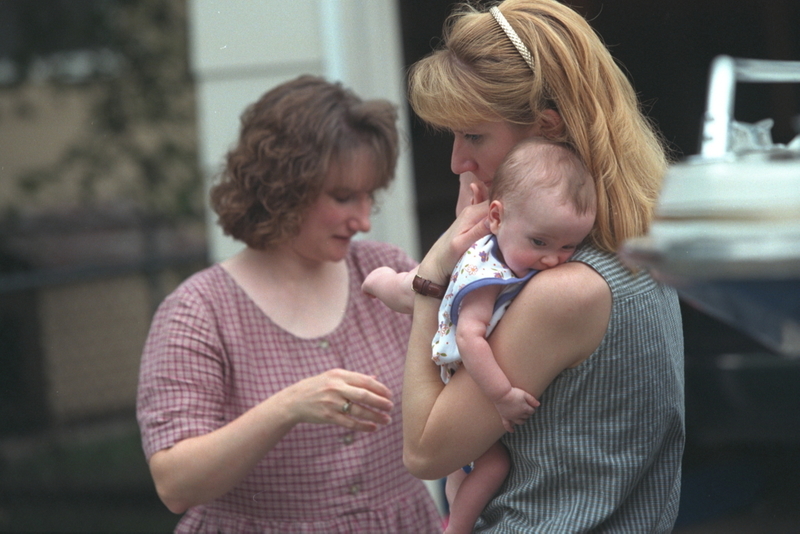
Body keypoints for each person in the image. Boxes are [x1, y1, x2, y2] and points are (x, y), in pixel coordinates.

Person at [400, 1, 685, 532]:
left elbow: (424, 451)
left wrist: (431, 279)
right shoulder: (632, 254)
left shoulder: (566, 292)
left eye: (474, 136)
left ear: (546, 129)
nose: (457, 161)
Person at [136, 75, 442, 533]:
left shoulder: (387, 274)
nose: (362, 219)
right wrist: (289, 406)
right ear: (284, 186)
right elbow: (175, 483)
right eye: (343, 197)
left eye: (369, 197)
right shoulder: (198, 312)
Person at [367, 137, 596, 534]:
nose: (551, 258)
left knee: (464, 466)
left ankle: (385, 281)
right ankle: (456, 528)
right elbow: (472, 337)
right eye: (540, 242)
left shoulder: (515, 247)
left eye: (568, 246)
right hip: (455, 361)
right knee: (493, 465)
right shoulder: (488, 276)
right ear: (496, 216)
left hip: (456, 325)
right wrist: (501, 396)